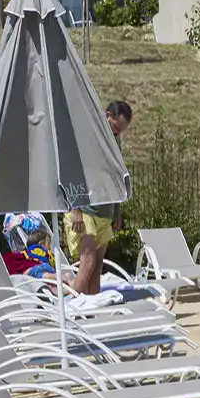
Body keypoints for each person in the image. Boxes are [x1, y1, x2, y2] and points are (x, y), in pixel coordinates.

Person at [66, 100, 131, 296]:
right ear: (106, 115)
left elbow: (114, 175)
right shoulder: (89, 136)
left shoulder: (114, 141)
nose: (118, 133)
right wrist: (75, 207)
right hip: (85, 208)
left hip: (105, 210)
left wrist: (117, 209)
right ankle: (67, 305)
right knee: (88, 260)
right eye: (116, 127)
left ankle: (91, 306)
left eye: (121, 131)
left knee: (98, 264)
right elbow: (73, 168)